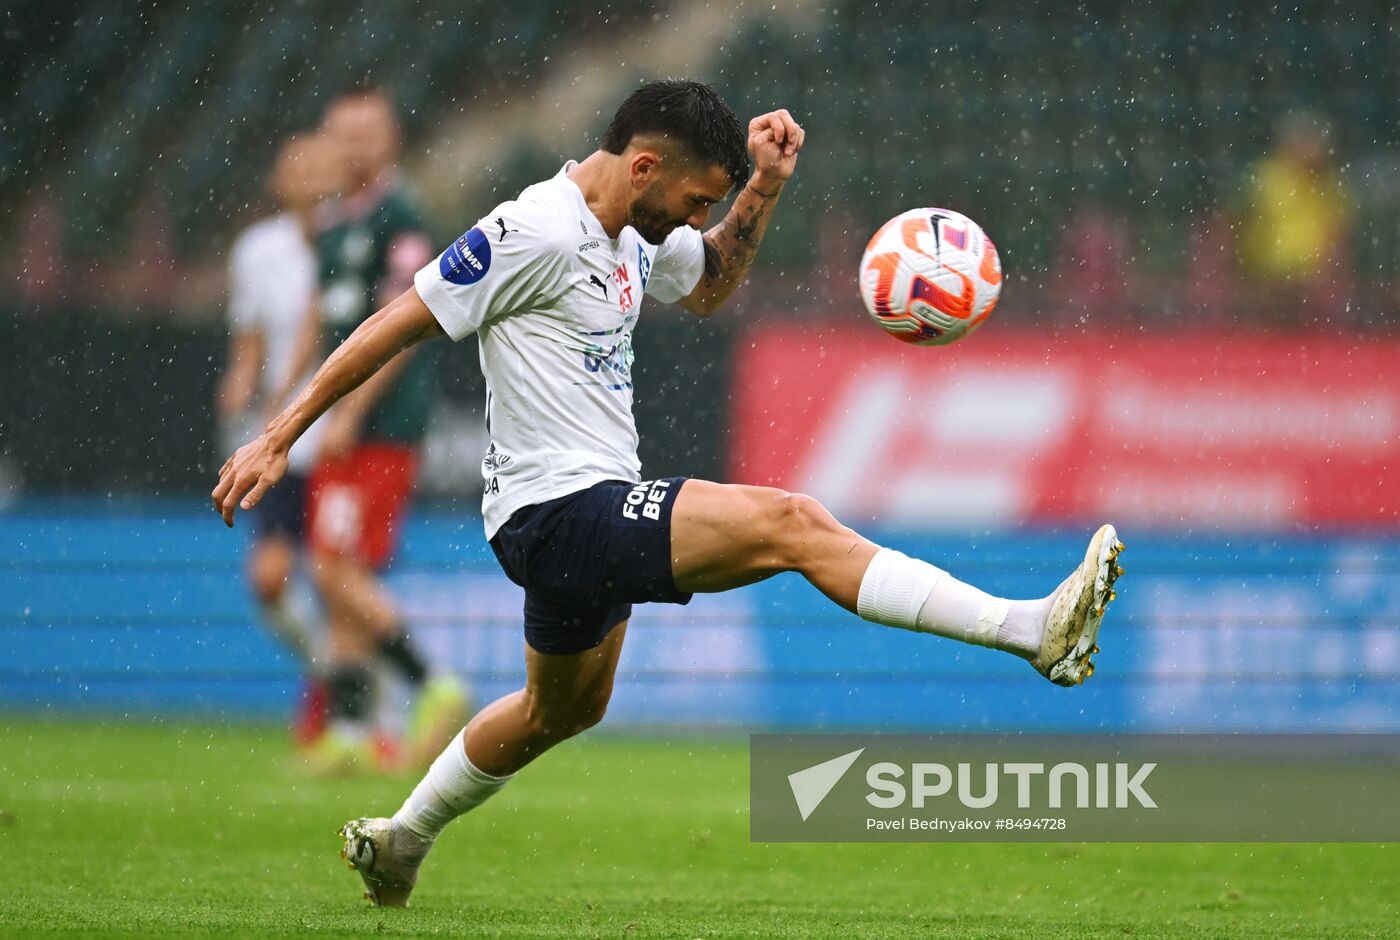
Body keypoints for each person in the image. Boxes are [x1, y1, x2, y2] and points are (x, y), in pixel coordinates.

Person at [212, 80, 1123, 906]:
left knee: (560, 709)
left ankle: (403, 840)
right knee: (793, 523)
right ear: (644, 165)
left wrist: (763, 185)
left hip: (582, 509)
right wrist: (278, 434)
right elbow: (394, 322)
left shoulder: (634, 231)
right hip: (554, 512)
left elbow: (712, 283)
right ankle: (1027, 630)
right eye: (694, 199)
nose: (696, 218)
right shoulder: (531, 231)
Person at [298, 84, 468, 773]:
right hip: (344, 422)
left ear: (390, 140)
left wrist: (349, 414)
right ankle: (348, 731)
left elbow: (399, 332)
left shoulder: (403, 217)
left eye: (366, 134)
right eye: (343, 134)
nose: (353, 147)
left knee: (332, 569)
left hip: (379, 428)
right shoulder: (335, 221)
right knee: (341, 571)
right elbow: (326, 324)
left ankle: (433, 684)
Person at [215, 133, 339, 746]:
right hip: (280, 440)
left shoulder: (351, 238)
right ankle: (336, 679)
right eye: (299, 165)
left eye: (321, 164)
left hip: (336, 433)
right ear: (279, 177)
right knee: (271, 580)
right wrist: (238, 386)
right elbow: (252, 339)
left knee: (340, 578)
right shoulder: (258, 250)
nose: (311, 176)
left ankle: (348, 708)